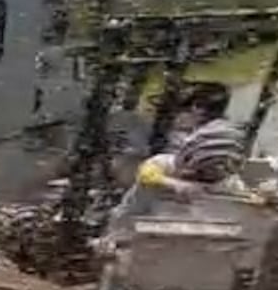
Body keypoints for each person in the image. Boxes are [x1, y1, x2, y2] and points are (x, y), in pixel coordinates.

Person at [101, 79, 250, 250]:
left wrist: (175, 183)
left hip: (143, 246)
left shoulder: (169, 167)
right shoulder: (230, 184)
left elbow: (148, 171)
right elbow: (147, 172)